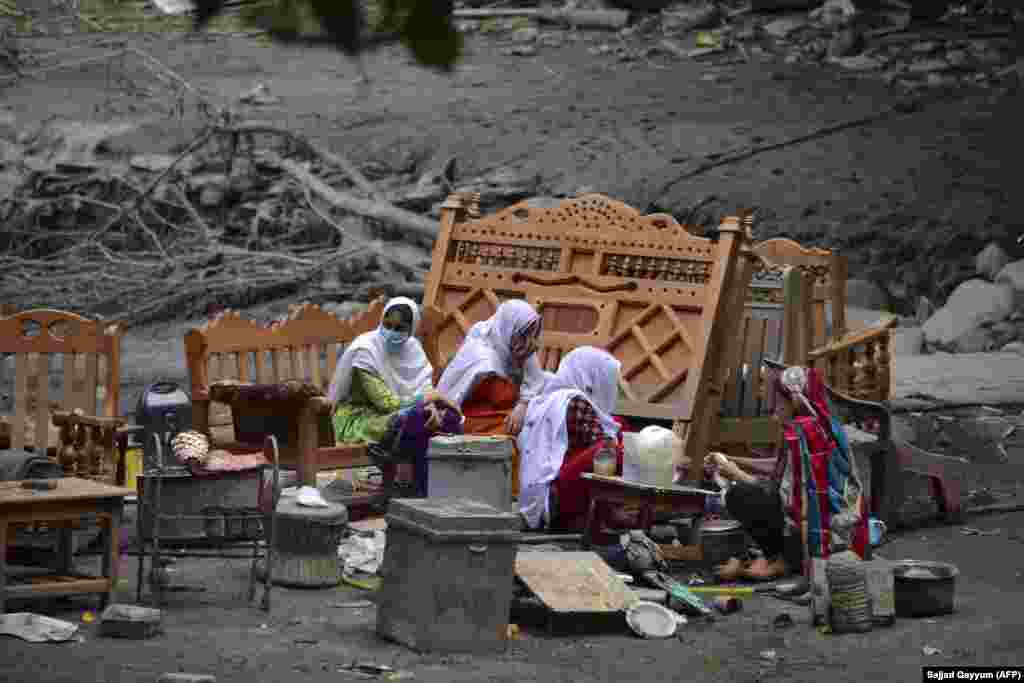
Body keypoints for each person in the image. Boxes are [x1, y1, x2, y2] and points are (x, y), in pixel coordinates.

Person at [707, 364, 869, 581]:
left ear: (795, 402)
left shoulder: (804, 434)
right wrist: (733, 460)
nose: (775, 413)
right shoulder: (820, 425)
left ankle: (779, 561)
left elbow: (791, 500)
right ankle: (775, 558)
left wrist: (736, 474)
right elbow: (780, 468)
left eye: (778, 405)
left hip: (820, 535)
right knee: (750, 491)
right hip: (833, 528)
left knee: (740, 495)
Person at [327, 297, 462, 496]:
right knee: (416, 420)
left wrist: (431, 404)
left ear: (411, 329)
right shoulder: (365, 351)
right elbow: (386, 403)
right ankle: (410, 488)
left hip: (398, 412)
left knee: (447, 418)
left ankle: (436, 488)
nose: (391, 332)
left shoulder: (412, 348)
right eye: (387, 325)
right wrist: (427, 400)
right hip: (359, 419)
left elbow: (423, 386)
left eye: (399, 328)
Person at [516, 346, 629, 532]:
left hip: (537, 494)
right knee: (609, 452)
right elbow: (605, 449)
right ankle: (610, 513)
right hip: (553, 496)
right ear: (592, 379)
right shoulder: (575, 401)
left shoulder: (549, 396)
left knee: (615, 432)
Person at [436, 299, 548, 436]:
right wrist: (522, 405)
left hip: (494, 412)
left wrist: (524, 405)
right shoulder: (485, 359)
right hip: (469, 416)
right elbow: (503, 397)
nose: (532, 342)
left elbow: (536, 379)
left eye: (534, 334)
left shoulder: (510, 341)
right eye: (525, 334)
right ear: (509, 328)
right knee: (526, 426)